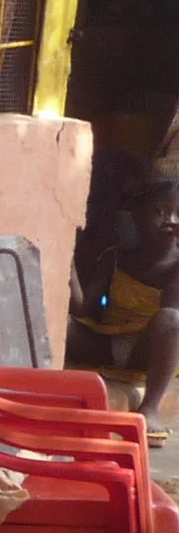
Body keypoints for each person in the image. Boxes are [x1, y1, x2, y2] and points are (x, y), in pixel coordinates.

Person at [73, 176, 179, 443]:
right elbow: (85, 309)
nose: (171, 220)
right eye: (159, 211)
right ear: (136, 214)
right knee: (64, 326)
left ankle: (150, 407)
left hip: (152, 352)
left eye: (178, 214)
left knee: (171, 320)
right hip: (108, 342)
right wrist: (69, 268)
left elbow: (171, 319)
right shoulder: (114, 257)